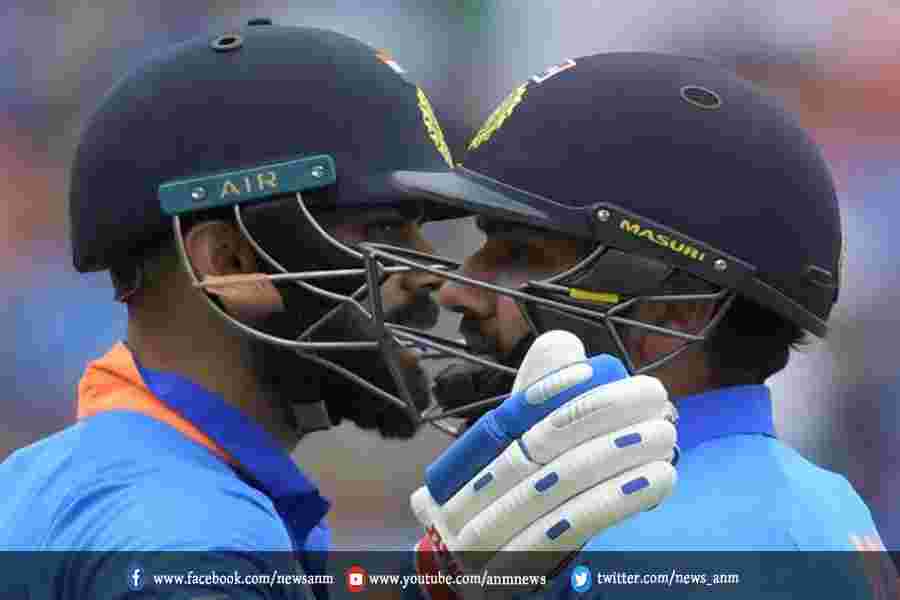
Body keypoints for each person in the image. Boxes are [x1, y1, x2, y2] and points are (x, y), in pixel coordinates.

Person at [0, 22, 677, 600]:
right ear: (228, 262)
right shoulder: (192, 537)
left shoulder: (55, 478)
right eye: (384, 231)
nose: (433, 278)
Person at [390, 52, 899, 597]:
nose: (455, 290)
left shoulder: (633, 546)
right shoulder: (825, 500)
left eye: (520, 254)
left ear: (676, 311)